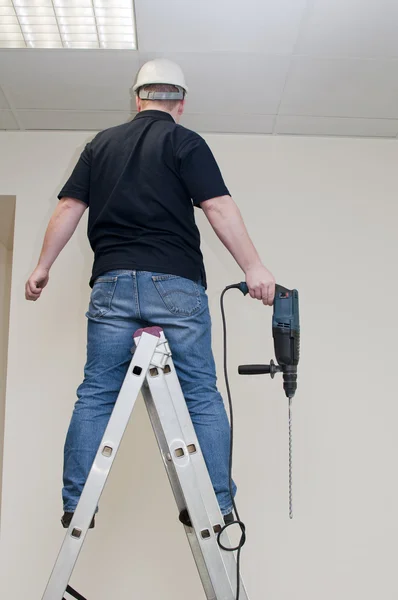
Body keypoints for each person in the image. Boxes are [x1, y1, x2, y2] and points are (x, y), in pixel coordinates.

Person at [25, 58, 276, 528]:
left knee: (96, 393)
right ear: (180, 104)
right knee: (200, 394)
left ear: (137, 99)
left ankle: (77, 501)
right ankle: (216, 504)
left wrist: (43, 267)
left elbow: (69, 207)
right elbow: (218, 206)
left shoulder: (100, 145)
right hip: (175, 285)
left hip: (112, 284)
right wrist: (253, 266)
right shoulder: (185, 141)